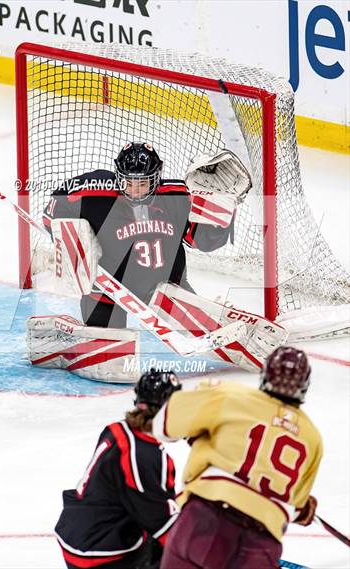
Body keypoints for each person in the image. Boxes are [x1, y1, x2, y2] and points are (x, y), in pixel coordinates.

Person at [43, 142, 249, 328]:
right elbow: (50, 213)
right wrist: (76, 244)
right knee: (109, 354)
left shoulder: (176, 196)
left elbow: (202, 242)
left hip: (169, 288)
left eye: (142, 184)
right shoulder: (95, 193)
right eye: (128, 183)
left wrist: (220, 207)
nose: (135, 191)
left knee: (203, 331)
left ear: (156, 179)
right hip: (108, 288)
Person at [152, 346, 323, 569]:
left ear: (266, 374)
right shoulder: (312, 438)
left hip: (206, 520)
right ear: (305, 385)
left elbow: (163, 426)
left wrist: (202, 434)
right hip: (261, 543)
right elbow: (296, 507)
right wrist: (302, 509)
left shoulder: (230, 396)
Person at [55, 368, 182, 569]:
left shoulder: (117, 429)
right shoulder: (144, 455)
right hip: (99, 553)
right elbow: (164, 526)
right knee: (179, 551)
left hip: (77, 532)